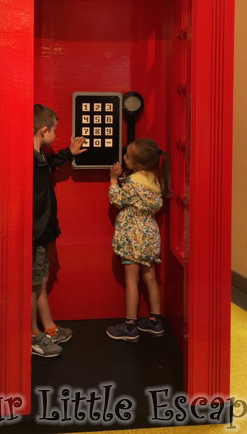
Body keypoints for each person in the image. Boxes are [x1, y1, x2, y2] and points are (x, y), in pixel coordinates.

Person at [31, 104, 86, 357]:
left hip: (43, 232)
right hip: (35, 233)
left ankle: (49, 327)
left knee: (40, 281)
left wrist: (69, 153)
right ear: (43, 131)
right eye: (54, 131)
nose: (55, 135)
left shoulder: (41, 156)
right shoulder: (30, 160)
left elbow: (52, 163)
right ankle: (32, 334)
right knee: (33, 285)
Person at [106, 138, 171, 343]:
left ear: (139, 165)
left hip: (132, 237)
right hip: (150, 235)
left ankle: (130, 326)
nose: (123, 158)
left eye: (127, 156)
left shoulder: (133, 183)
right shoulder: (154, 180)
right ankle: (155, 321)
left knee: (131, 281)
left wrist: (114, 180)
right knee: (150, 278)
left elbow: (117, 201)